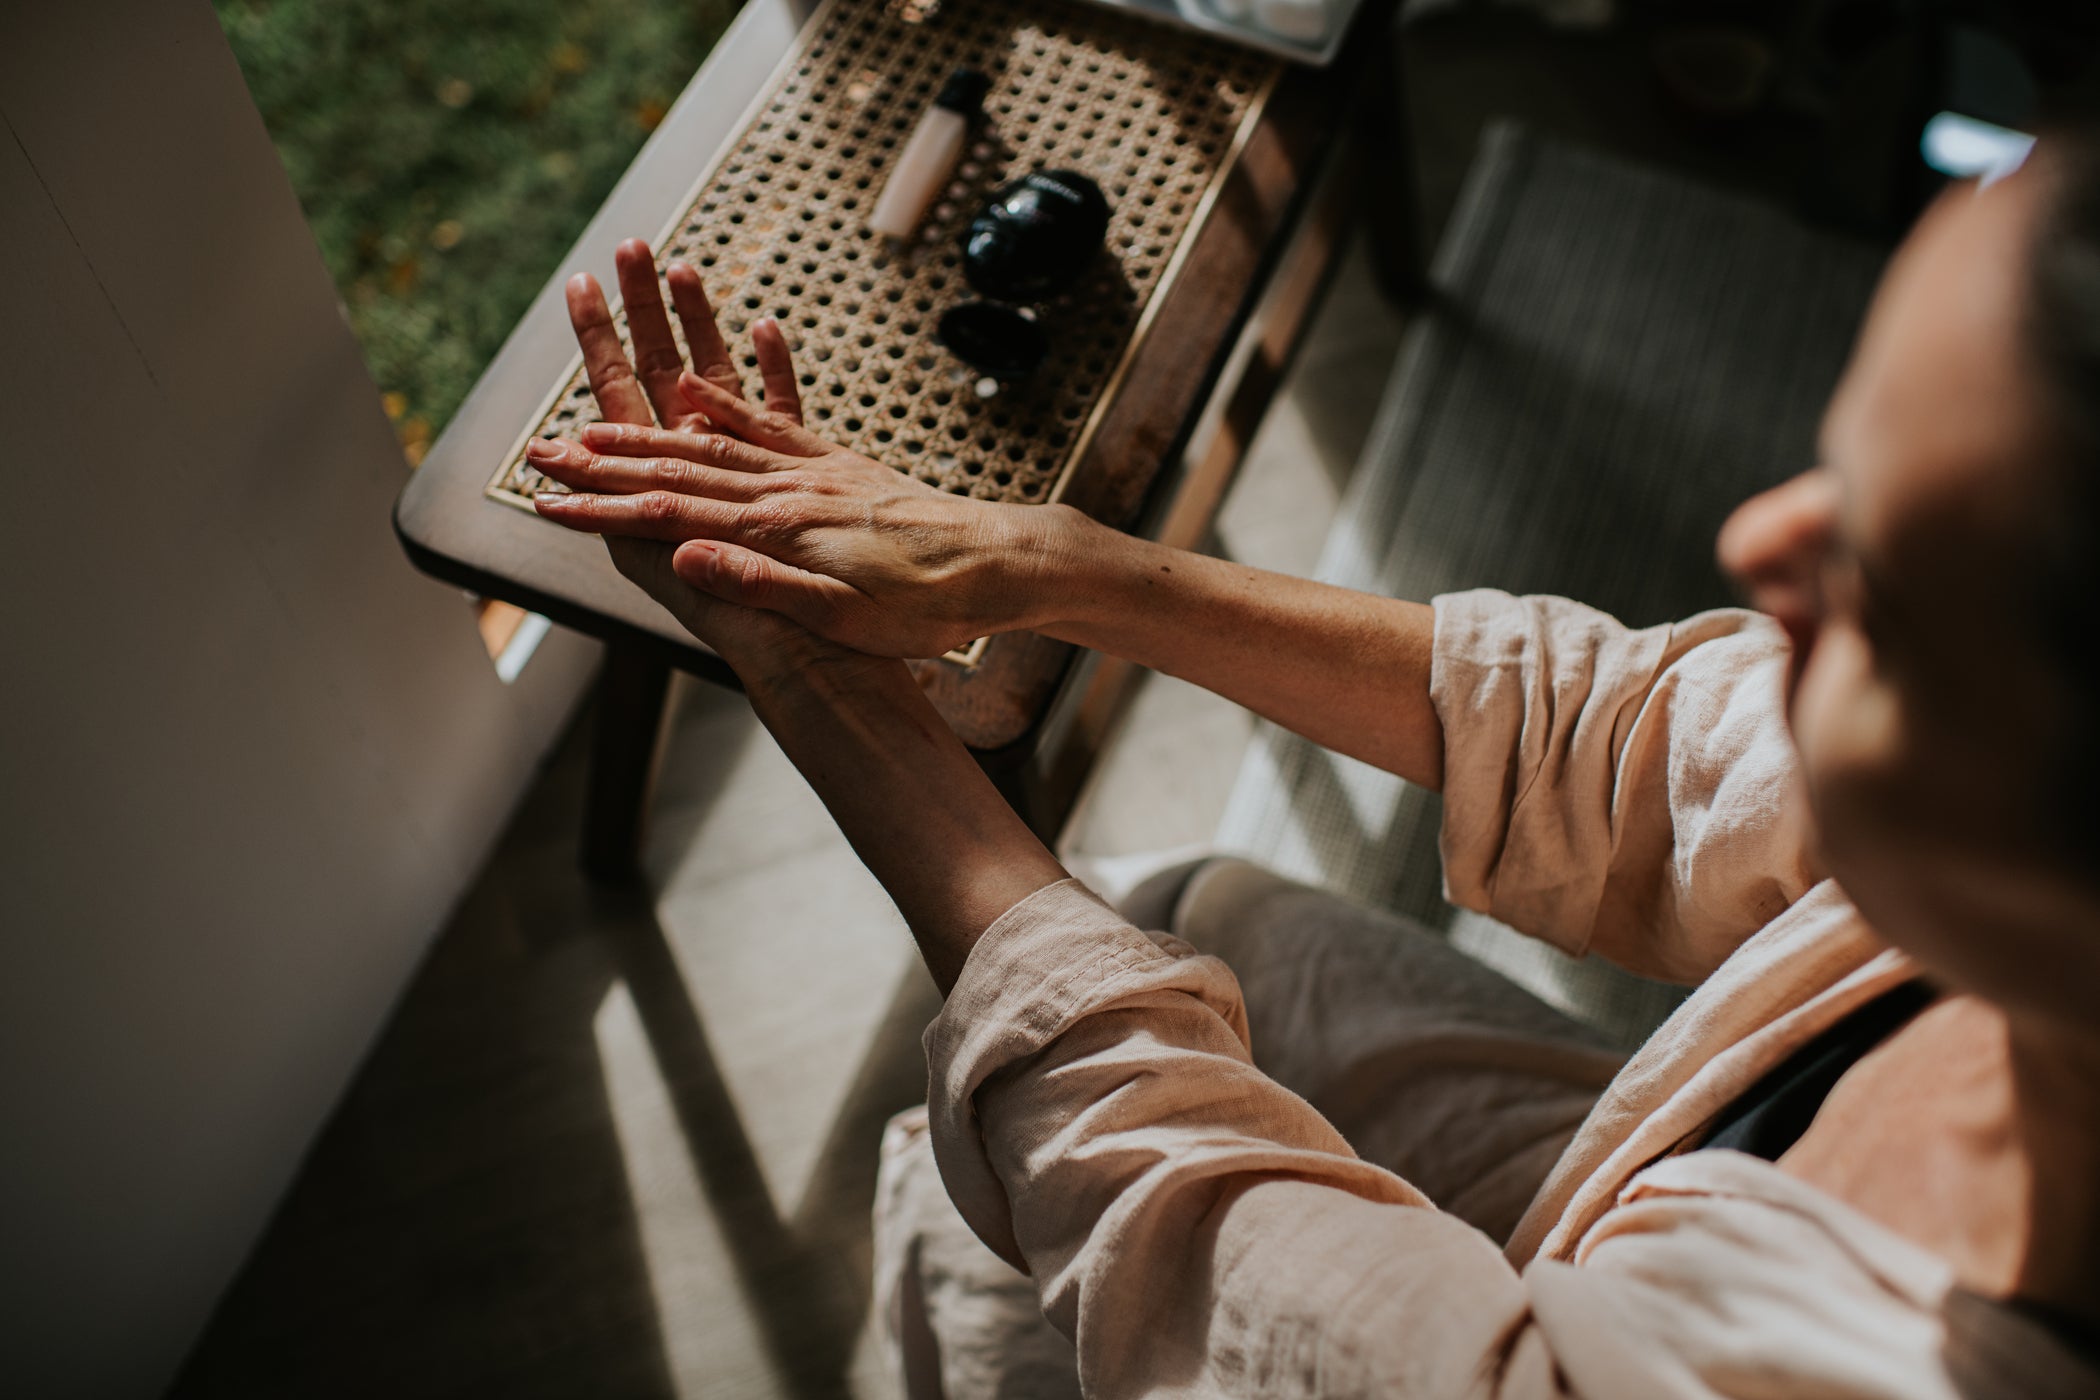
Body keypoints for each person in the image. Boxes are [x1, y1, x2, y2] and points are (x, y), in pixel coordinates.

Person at [523, 124, 2100, 1397]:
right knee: (1191, 914)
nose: (1757, 538)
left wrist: (834, 698)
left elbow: (1209, 1269)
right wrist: (1048, 560)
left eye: (1883, 590)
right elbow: (1640, 742)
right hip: (1650, 1180)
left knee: (975, 1218)